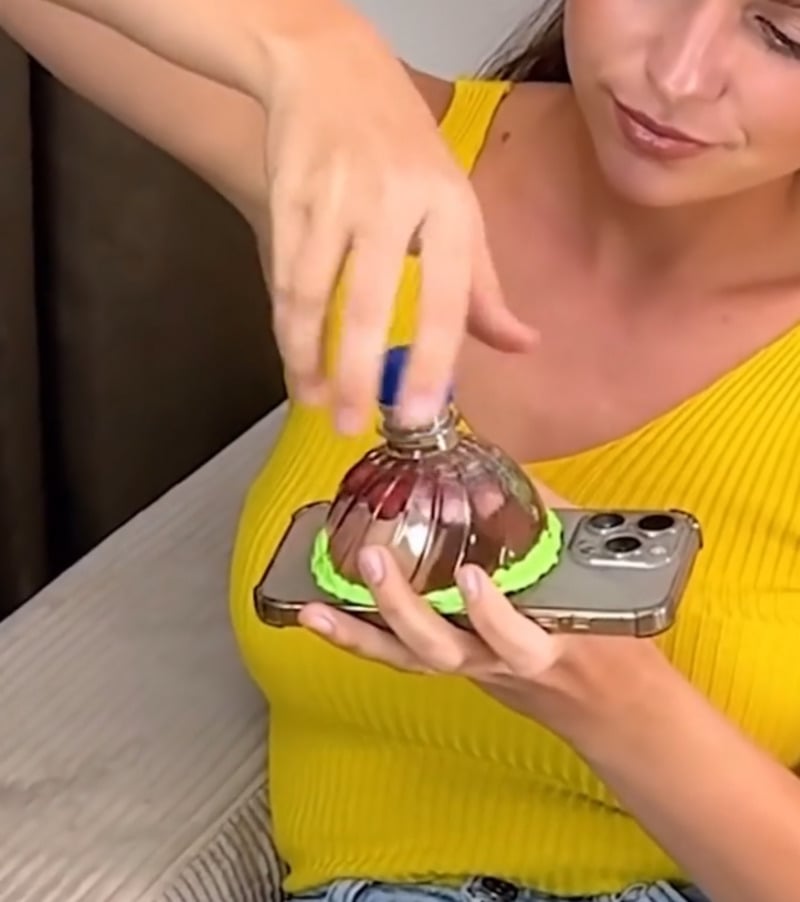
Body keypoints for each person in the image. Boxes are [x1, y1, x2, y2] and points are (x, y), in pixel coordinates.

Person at [2, 1, 799, 900]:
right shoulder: (377, 170)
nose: (680, 73)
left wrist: (612, 701)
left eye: (785, 35)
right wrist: (305, 42)